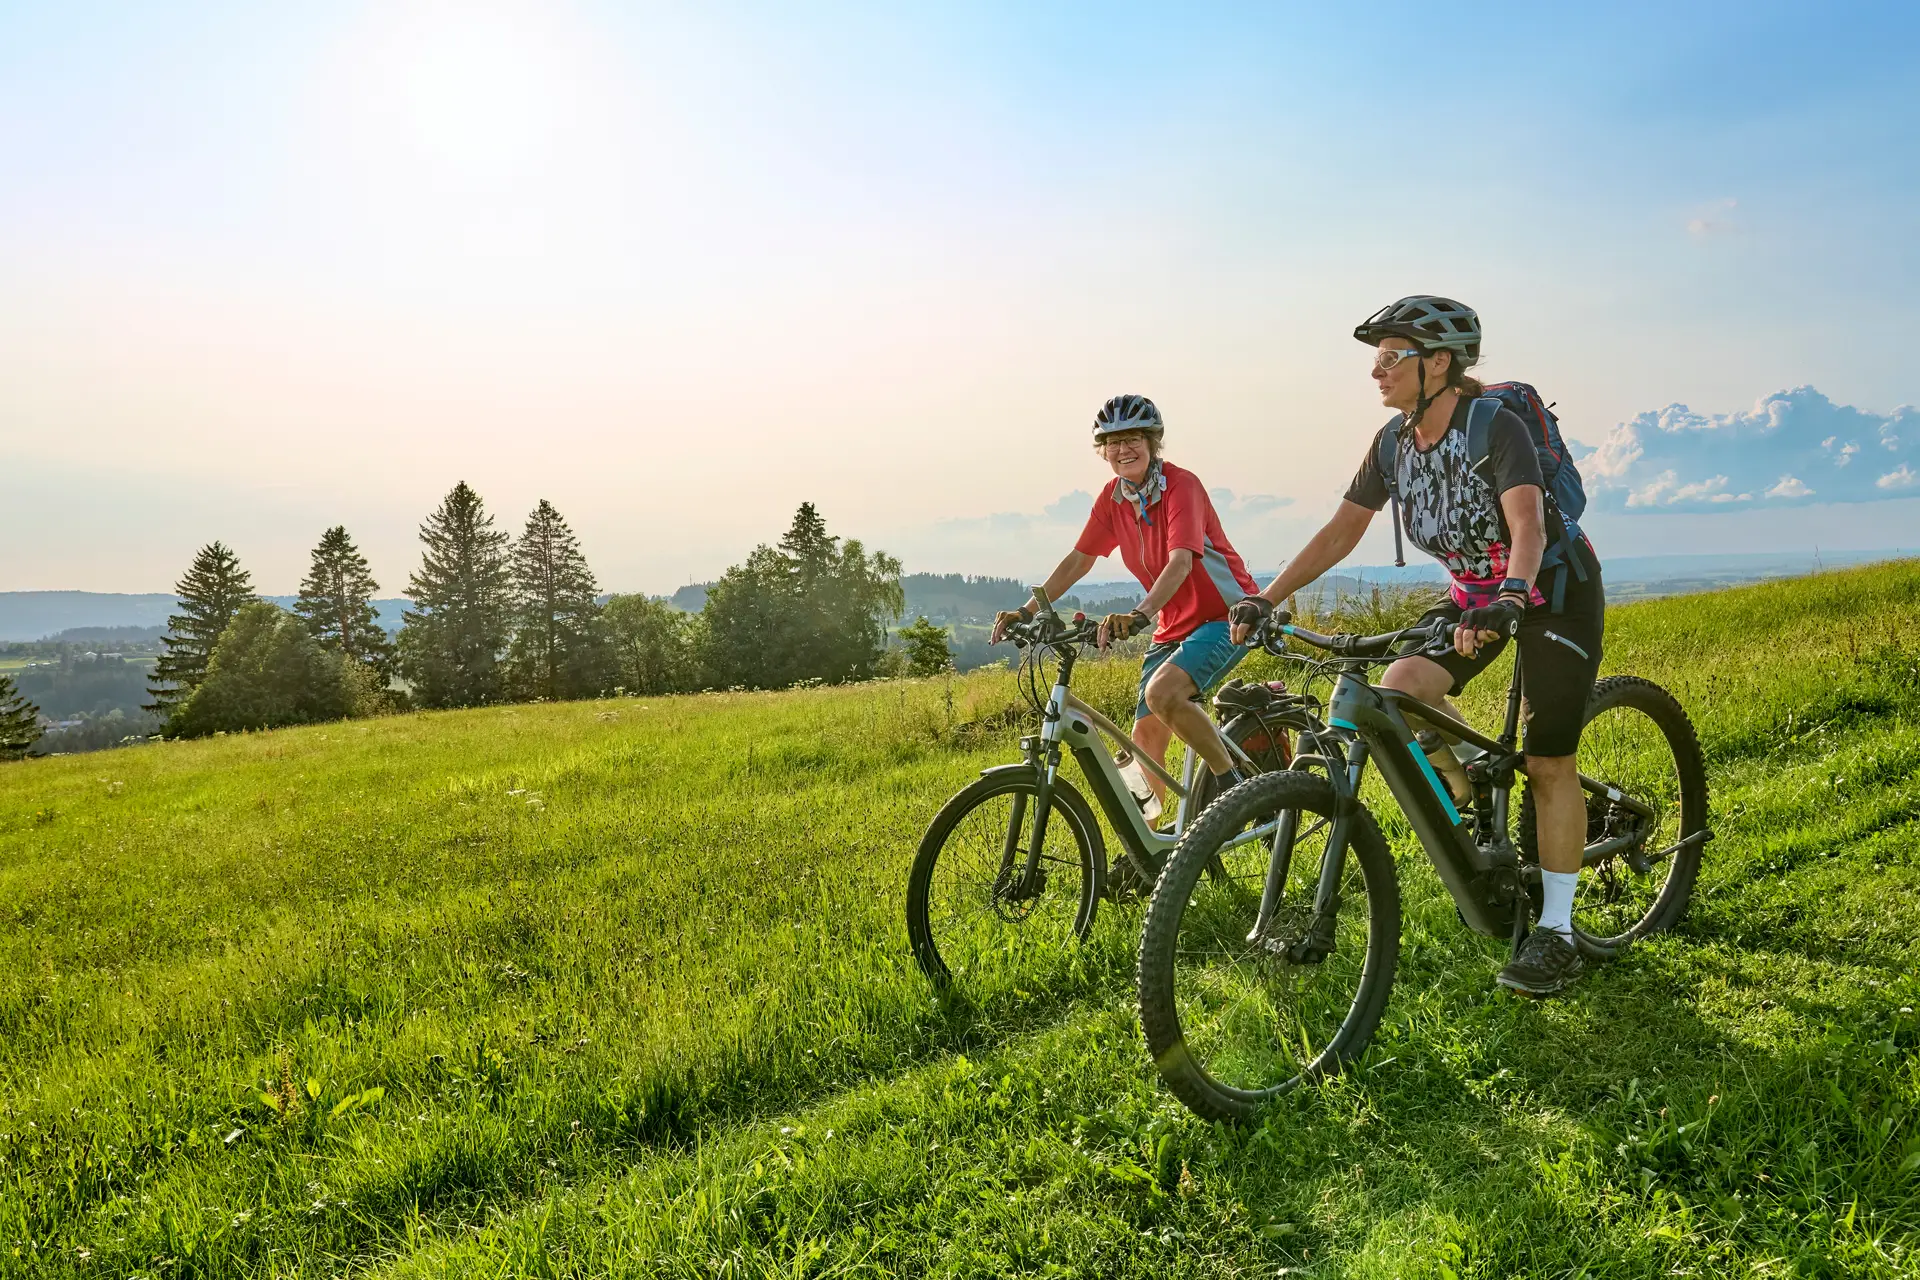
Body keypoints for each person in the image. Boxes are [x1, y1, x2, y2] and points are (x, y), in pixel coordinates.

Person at [1228, 296, 1605, 997]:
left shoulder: (1495, 425)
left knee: (1549, 757)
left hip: (1551, 588)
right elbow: (1340, 532)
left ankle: (1555, 935)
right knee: (1399, 690)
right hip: (1472, 596)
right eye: (1376, 358)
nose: (1377, 371)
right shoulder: (1393, 444)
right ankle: (1473, 794)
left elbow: (1527, 526)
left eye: (1391, 357)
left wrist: (1513, 597)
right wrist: (1265, 597)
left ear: (1439, 364)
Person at [991, 395, 1261, 844]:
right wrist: (1029, 608)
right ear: (1103, 450)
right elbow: (1080, 559)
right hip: (1173, 624)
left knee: (1164, 694)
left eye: (1133, 438)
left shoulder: (1182, 486)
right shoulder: (1113, 499)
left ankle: (1236, 790)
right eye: (1112, 443)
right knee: (1143, 744)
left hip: (1227, 615)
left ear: (1152, 442)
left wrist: (1139, 614)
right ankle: (1149, 851)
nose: (1123, 450)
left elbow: (1180, 562)